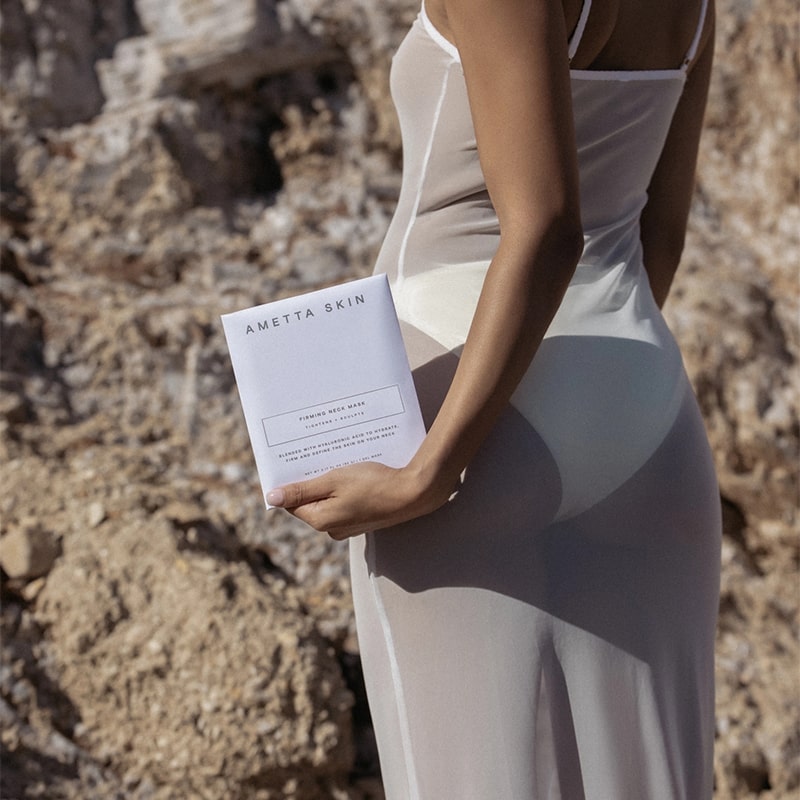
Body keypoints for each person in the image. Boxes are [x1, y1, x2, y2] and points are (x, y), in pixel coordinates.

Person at [268, 0, 722, 796]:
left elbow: (546, 224)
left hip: (470, 416)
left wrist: (429, 470)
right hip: (642, 406)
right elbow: (662, 232)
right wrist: (596, 403)